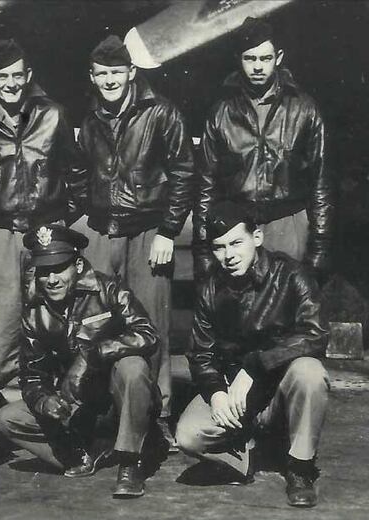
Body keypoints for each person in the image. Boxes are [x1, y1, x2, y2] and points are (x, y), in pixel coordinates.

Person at [75, 35, 196, 450]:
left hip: (148, 232)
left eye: (116, 73)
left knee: (152, 323)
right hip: (103, 229)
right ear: (92, 77)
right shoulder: (90, 121)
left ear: (131, 73)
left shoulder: (161, 113)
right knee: (99, 320)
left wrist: (168, 230)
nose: (109, 81)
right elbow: (80, 172)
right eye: (101, 74)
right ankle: (106, 409)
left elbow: (183, 173)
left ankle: (156, 413)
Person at [176, 201, 329, 508]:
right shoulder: (210, 288)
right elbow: (200, 353)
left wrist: (256, 364)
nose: (229, 255)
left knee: (310, 373)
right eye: (219, 248)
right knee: (188, 436)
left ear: (257, 238)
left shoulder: (292, 275)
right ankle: (245, 456)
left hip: (279, 383)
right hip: (238, 391)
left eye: (236, 243)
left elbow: (316, 334)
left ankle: (300, 468)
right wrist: (216, 392)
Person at [0, 225, 159, 498]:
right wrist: (44, 400)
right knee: (8, 419)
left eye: (59, 268)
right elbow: (32, 376)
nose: (52, 279)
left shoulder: (108, 289)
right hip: (78, 408)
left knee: (133, 367)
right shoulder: (34, 313)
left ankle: (131, 463)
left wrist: (91, 355)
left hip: (118, 402)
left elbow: (147, 334)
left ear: (78, 265)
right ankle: (84, 453)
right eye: (44, 271)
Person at [0, 38, 83, 386]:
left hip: (48, 230)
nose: (11, 84)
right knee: (3, 316)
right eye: (2, 76)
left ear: (28, 75)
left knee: (54, 308)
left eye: (17, 75)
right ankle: (2, 399)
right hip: (2, 232)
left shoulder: (53, 114)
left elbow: (77, 173)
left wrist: (59, 220)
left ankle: (56, 390)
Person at [194, 17, 334, 283]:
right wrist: (202, 249)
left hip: (288, 223)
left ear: (278, 57)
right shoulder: (221, 112)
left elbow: (321, 183)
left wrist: (320, 247)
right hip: (237, 227)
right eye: (250, 58)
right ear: (239, 58)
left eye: (265, 58)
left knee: (291, 306)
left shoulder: (305, 109)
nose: (258, 66)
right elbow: (205, 185)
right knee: (243, 312)